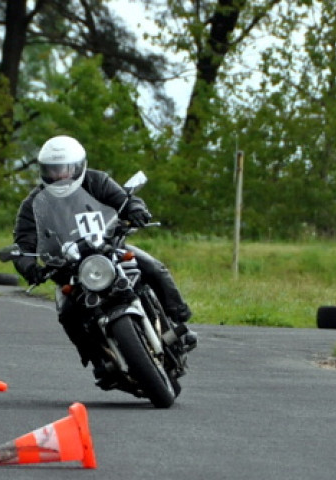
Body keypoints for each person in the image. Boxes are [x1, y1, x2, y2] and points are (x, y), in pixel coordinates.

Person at [11, 135, 197, 385]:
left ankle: (178, 321)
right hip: (69, 268)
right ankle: (99, 361)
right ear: (43, 171)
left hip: (107, 249)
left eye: (64, 169)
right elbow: (23, 243)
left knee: (154, 268)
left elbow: (124, 199)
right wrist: (29, 266)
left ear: (77, 166)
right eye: (52, 170)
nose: (59, 176)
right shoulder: (34, 204)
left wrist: (136, 210)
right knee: (67, 313)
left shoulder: (96, 181)